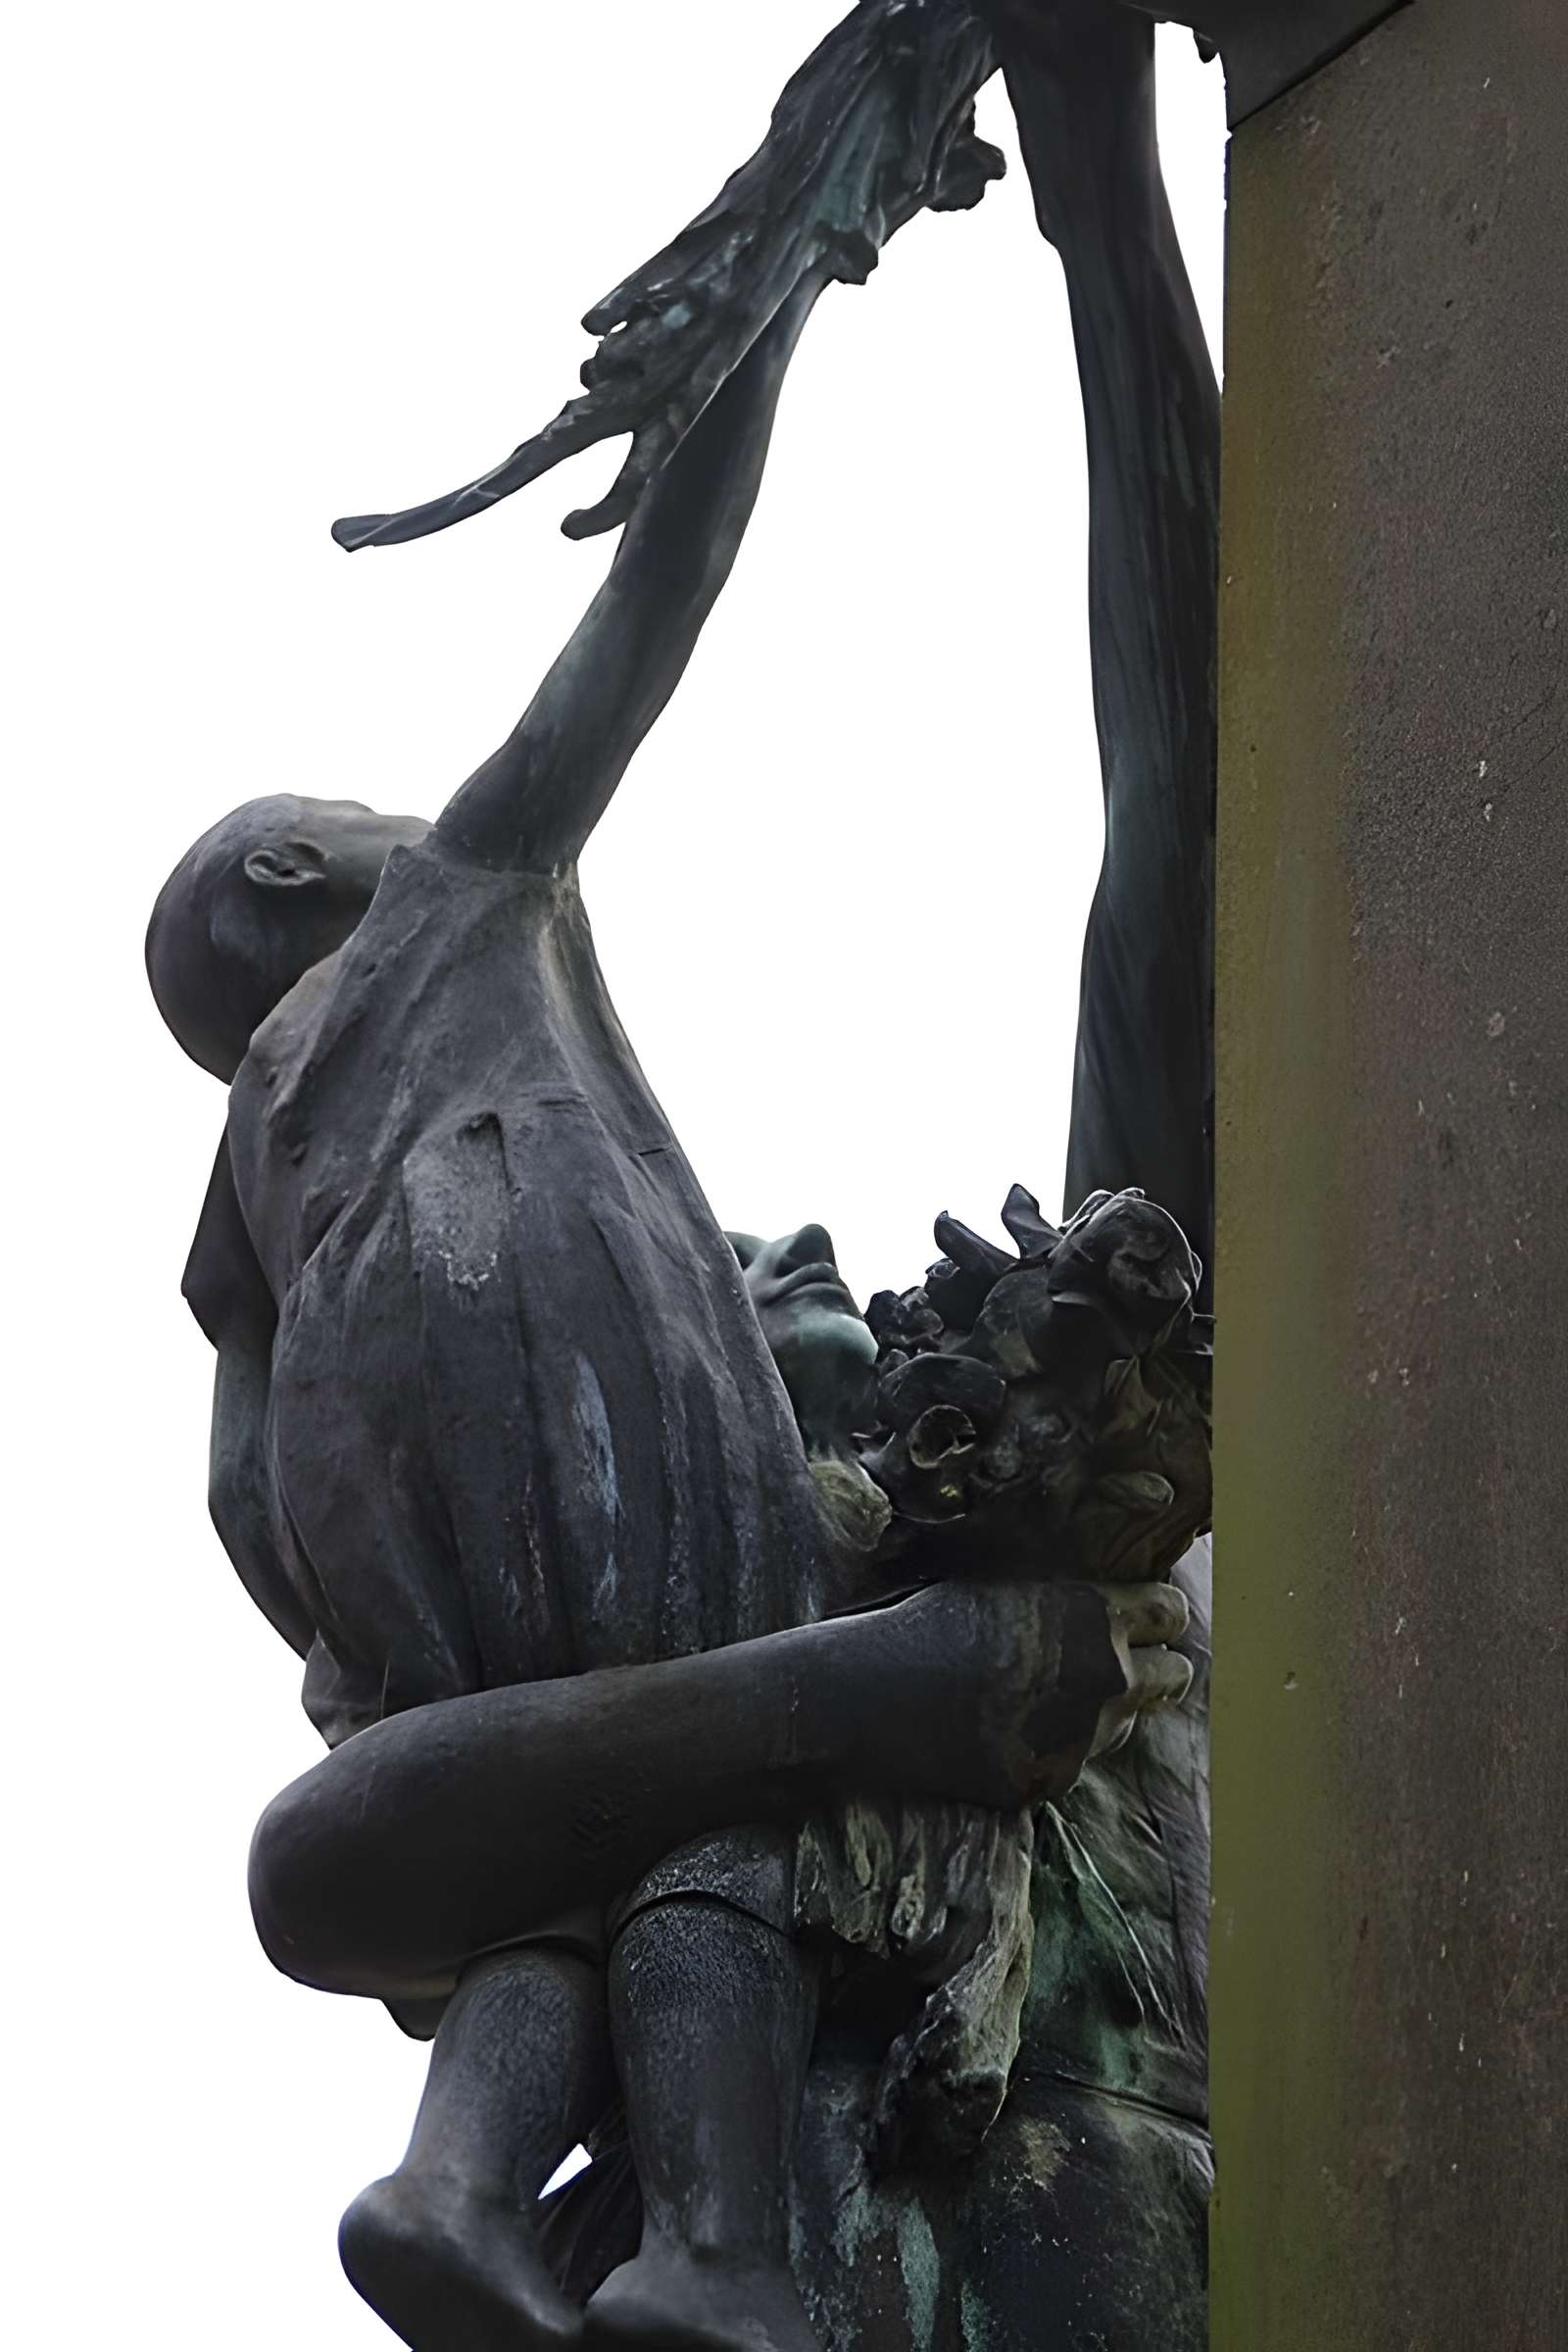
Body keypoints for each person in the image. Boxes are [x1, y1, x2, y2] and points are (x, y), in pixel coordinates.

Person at [150, 256, 1189, 2352]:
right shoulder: (451, 953)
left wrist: (1098, 203)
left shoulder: (1093, 1512)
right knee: (685, 1891)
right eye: (729, 1272)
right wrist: (878, 1691)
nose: (779, 1256)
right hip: (830, 2244)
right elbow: (329, 1864)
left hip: (1143, 2196)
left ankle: (518, 2213)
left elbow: (1176, 801)